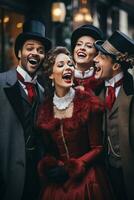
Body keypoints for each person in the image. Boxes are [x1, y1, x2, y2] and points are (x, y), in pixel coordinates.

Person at [36, 46, 114, 200]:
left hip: (88, 182)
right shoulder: (45, 110)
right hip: (58, 185)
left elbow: (98, 148)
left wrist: (74, 166)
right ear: (51, 75)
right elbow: (49, 149)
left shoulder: (88, 102)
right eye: (61, 65)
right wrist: (52, 165)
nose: (68, 68)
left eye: (70, 64)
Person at [0, 19, 52, 200]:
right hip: (7, 175)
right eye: (30, 48)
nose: (35, 53)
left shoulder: (44, 92)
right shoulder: (1, 83)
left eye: (40, 50)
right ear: (20, 52)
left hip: (35, 175)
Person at [93, 30, 134, 200]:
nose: (94, 59)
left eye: (101, 57)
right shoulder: (98, 92)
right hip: (105, 174)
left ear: (116, 66)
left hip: (128, 175)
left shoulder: (132, 93)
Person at [71, 24, 104, 94]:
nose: (82, 48)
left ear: (97, 53)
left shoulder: (103, 82)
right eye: (78, 44)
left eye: (89, 46)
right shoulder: (61, 77)